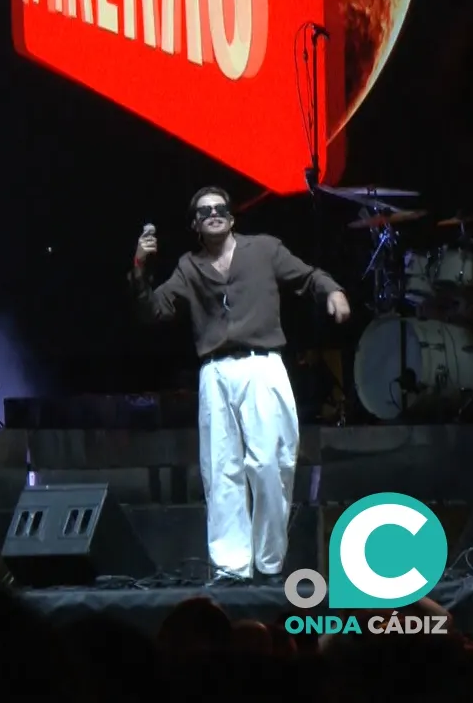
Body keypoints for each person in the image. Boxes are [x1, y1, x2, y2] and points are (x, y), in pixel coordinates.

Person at [130, 186, 350, 584]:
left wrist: (333, 291)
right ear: (195, 225)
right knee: (221, 471)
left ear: (231, 218)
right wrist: (140, 267)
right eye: (204, 211)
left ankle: (269, 565)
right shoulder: (189, 267)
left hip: (262, 366)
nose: (213, 214)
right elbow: (154, 311)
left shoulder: (263, 249)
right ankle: (231, 567)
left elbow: (307, 276)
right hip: (215, 372)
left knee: (270, 465)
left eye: (220, 208)